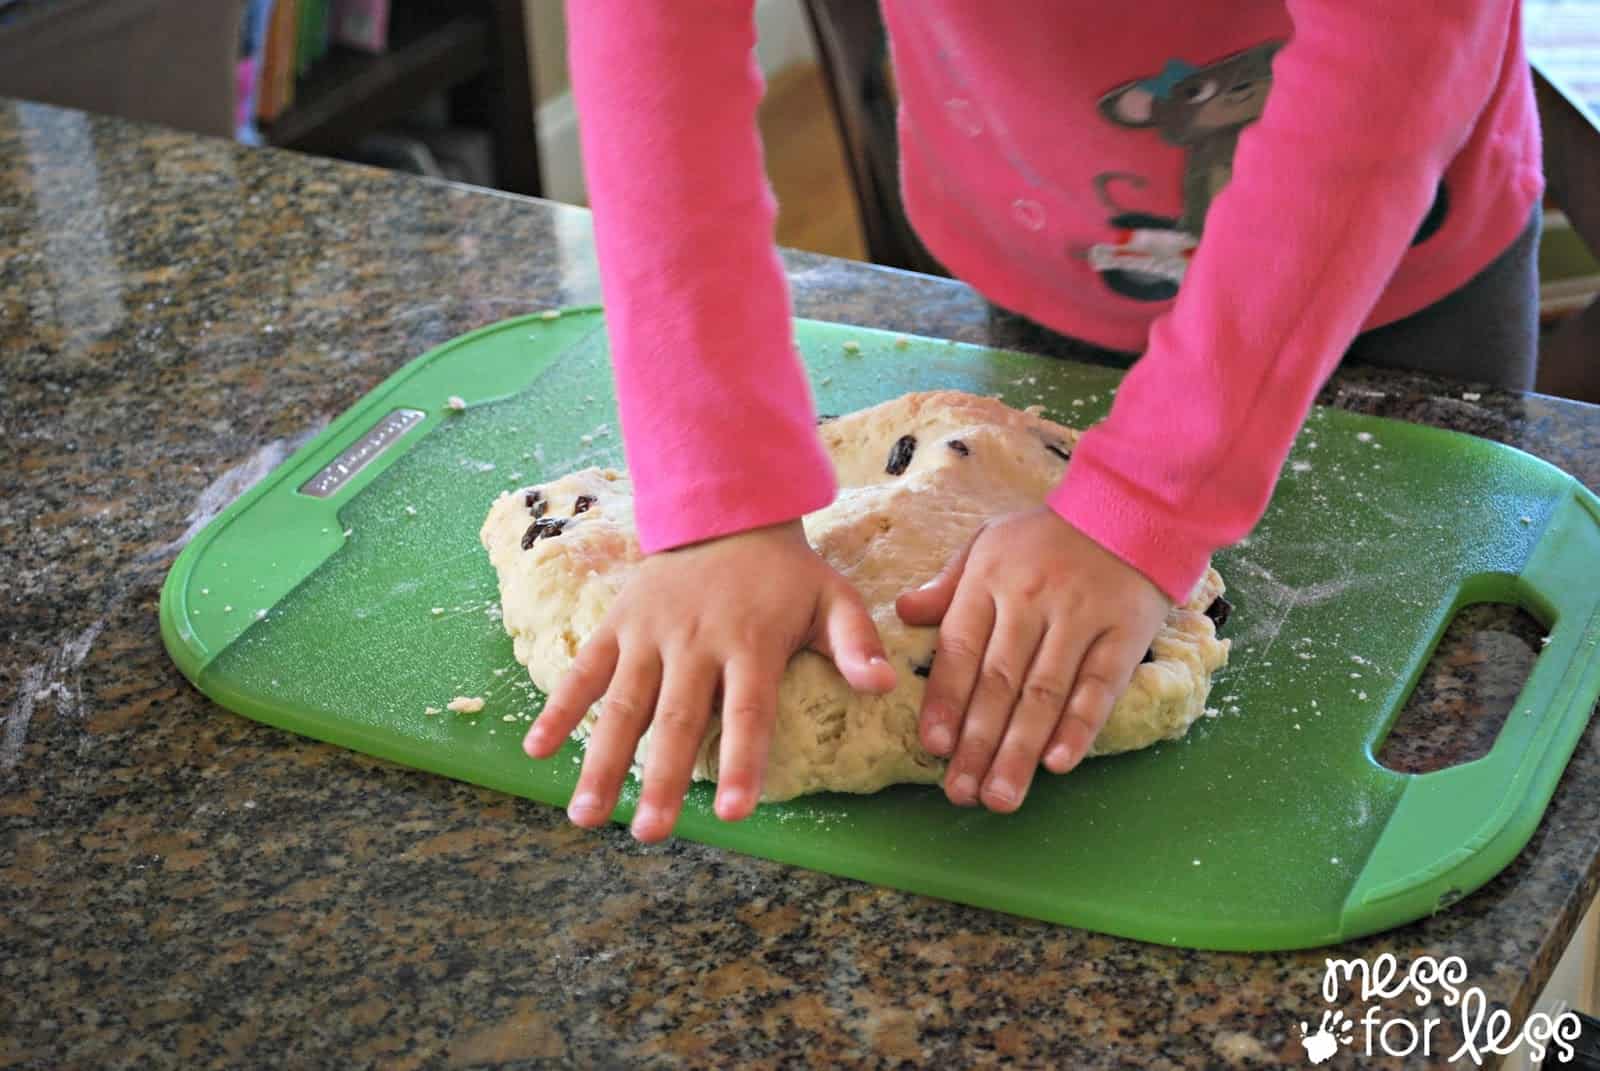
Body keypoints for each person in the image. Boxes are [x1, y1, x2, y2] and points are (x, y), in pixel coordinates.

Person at [524, 1, 1545, 842]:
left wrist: (1149, 497)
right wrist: (717, 498)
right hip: (1048, 237)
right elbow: (651, 43)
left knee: (1410, 712)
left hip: (1396, 270)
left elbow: (1397, 61)